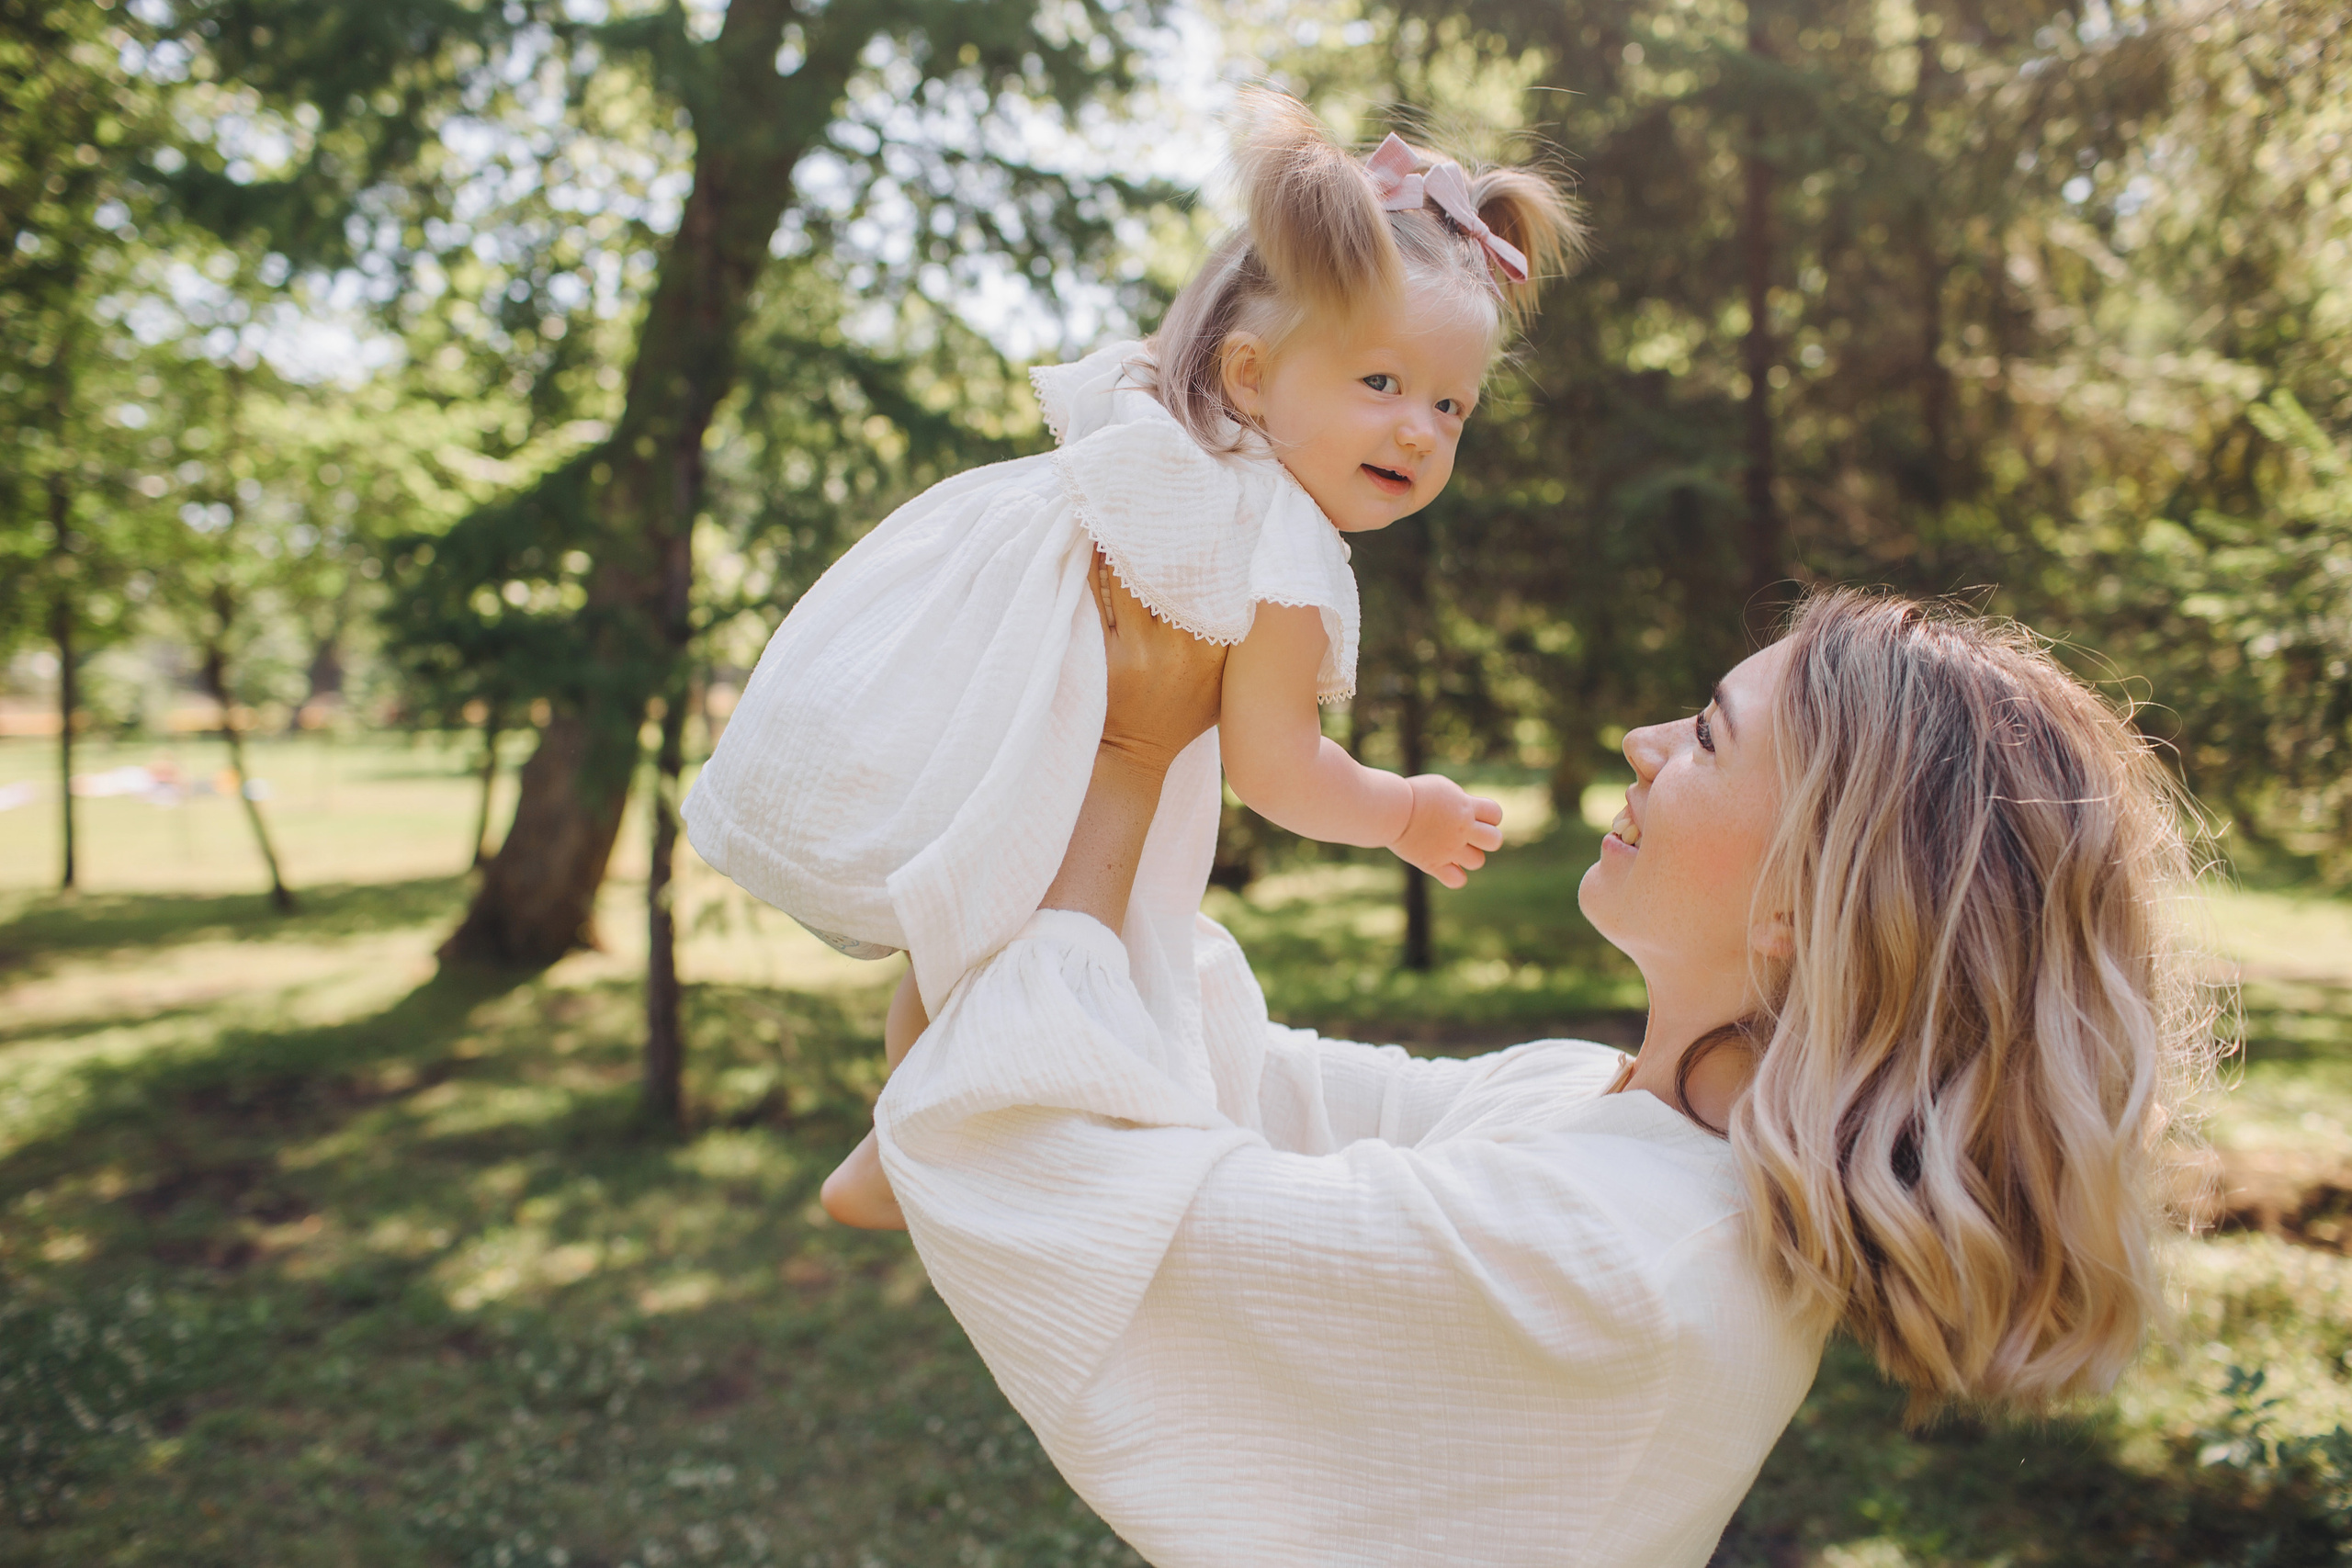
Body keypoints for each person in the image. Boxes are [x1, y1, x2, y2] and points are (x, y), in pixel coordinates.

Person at [870, 570, 2215, 1567]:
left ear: (1801, 904)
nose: (1643, 741)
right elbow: (1225, 1070)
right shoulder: (1597, 1106)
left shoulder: (1620, 1265)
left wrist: (1127, 755)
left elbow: (1056, 1168)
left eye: (1706, 733)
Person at [684, 90, 1582, 1226]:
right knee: (1058, 967)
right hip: (1057, 760)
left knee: (980, 943)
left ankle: (900, 1133)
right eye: (1381, 384)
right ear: (1248, 377)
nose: (1419, 428)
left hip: (978, 714)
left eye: (1453, 406)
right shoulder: (1277, 539)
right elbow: (1277, 767)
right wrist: (1403, 812)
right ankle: (923, 1148)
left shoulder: (1157, 434)